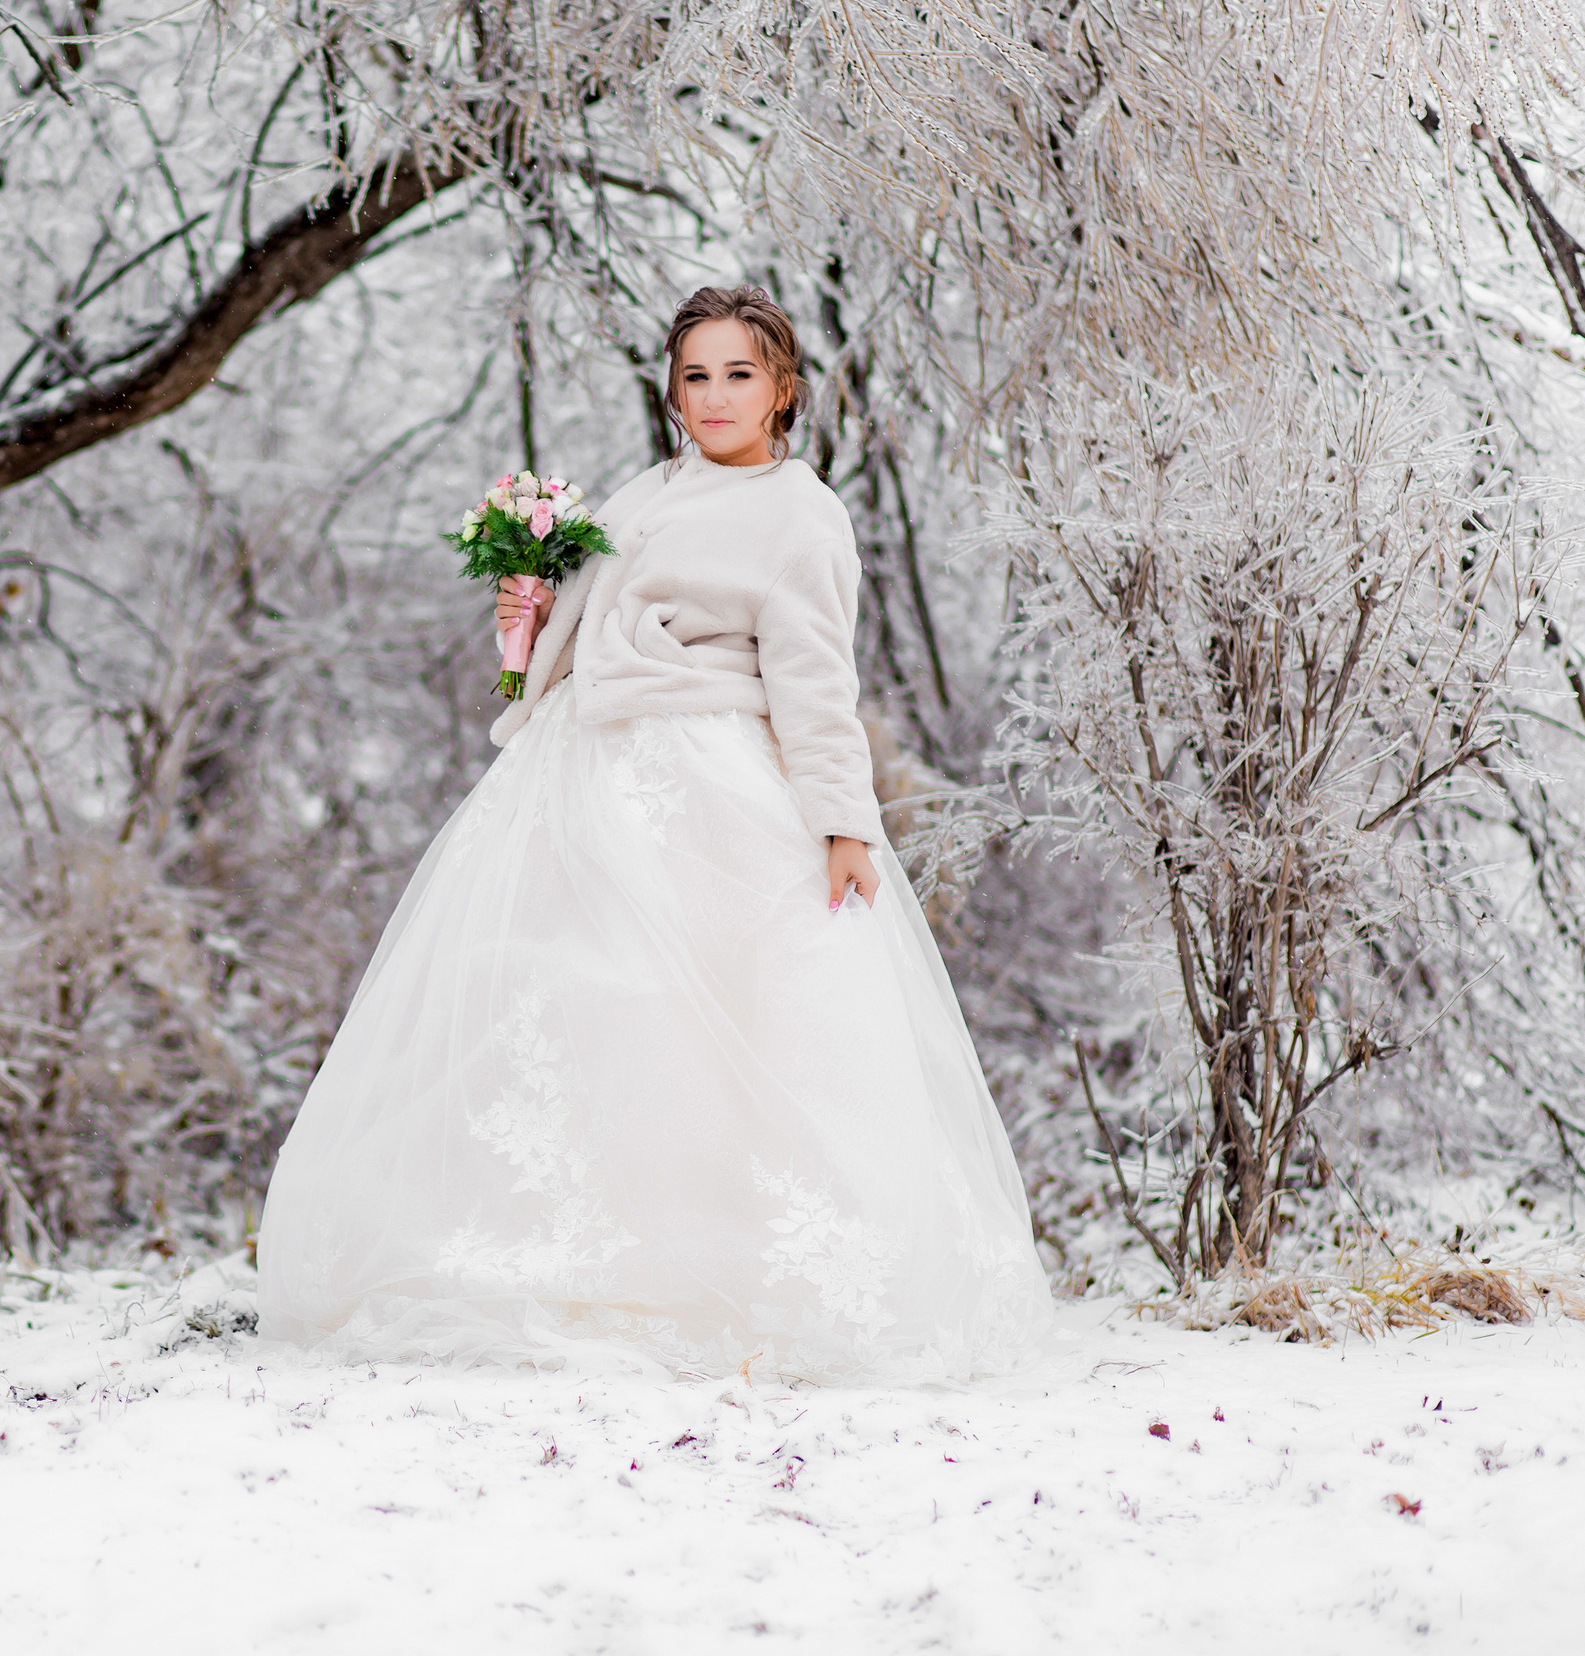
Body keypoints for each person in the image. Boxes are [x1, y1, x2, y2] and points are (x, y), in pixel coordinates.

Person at [254, 285, 1054, 1382]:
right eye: (694, 376)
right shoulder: (648, 489)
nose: (714, 396)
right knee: (568, 1006)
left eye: (738, 374)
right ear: (669, 393)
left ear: (782, 390)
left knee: (708, 1017)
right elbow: (579, 637)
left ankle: (717, 1269)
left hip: (703, 770)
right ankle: (581, 1253)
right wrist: (525, 625)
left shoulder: (798, 511)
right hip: (580, 770)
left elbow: (817, 679)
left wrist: (840, 823)